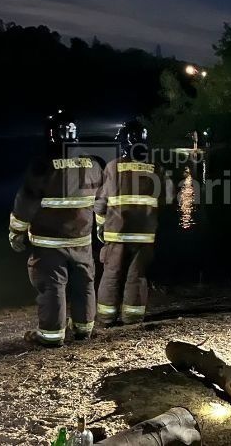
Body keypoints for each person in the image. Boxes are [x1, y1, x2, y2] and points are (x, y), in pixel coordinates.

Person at [9, 111, 103, 347]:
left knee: (52, 286)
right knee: (84, 283)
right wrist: (100, 227)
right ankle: (84, 330)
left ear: (50, 135)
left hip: (48, 243)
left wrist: (16, 232)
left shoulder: (42, 165)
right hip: (81, 241)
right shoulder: (93, 164)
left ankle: (51, 335)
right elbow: (102, 201)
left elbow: (25, 203)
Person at [94, 120, 164, 325]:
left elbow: (101, 202)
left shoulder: (113, 167)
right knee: (137, 275)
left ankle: (107, 318)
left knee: (112, 274)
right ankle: (132, 318)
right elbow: (167, 197)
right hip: (145, 236)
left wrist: (99, 224)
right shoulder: (156, 168)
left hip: (117, 234)